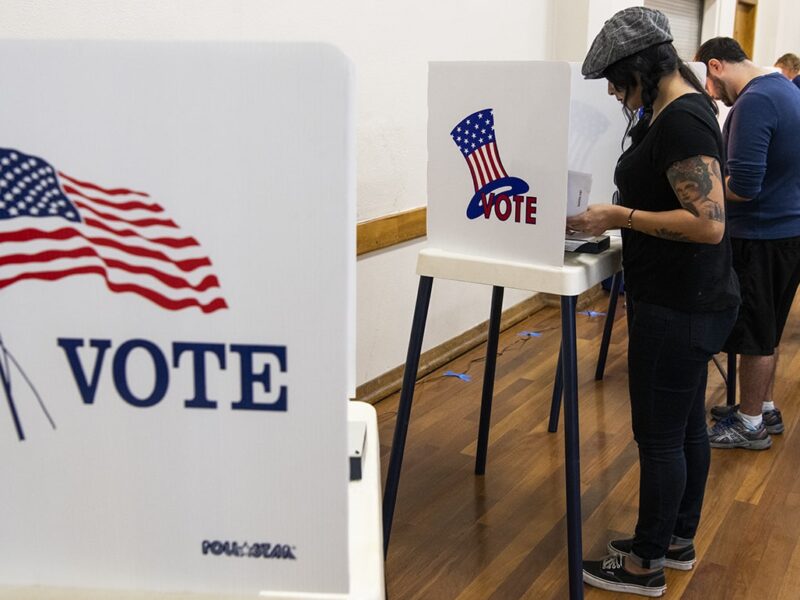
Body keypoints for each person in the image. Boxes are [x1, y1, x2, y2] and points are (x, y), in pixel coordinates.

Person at [568, 7, 740, 597]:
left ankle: (645, 565)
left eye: (618, 80)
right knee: (686, 423)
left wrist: (620, 216)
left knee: (660, 437)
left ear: (641, 66)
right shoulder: (671, 109)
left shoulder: (683, 120)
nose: (616, 94)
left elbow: (709, 223)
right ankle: (676, 539)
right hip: (688, 298)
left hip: (680, 303)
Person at [694, 38, 800, 449]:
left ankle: (750, 424)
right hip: (785, 231)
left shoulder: (754, 102)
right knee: (767, 329)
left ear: (716, 66)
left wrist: (696, 186)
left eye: (706, 80)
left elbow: (744, 187)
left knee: (756, 334)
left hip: (761, 233)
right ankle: (763, 406)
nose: (708, 93)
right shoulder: (784, 88)